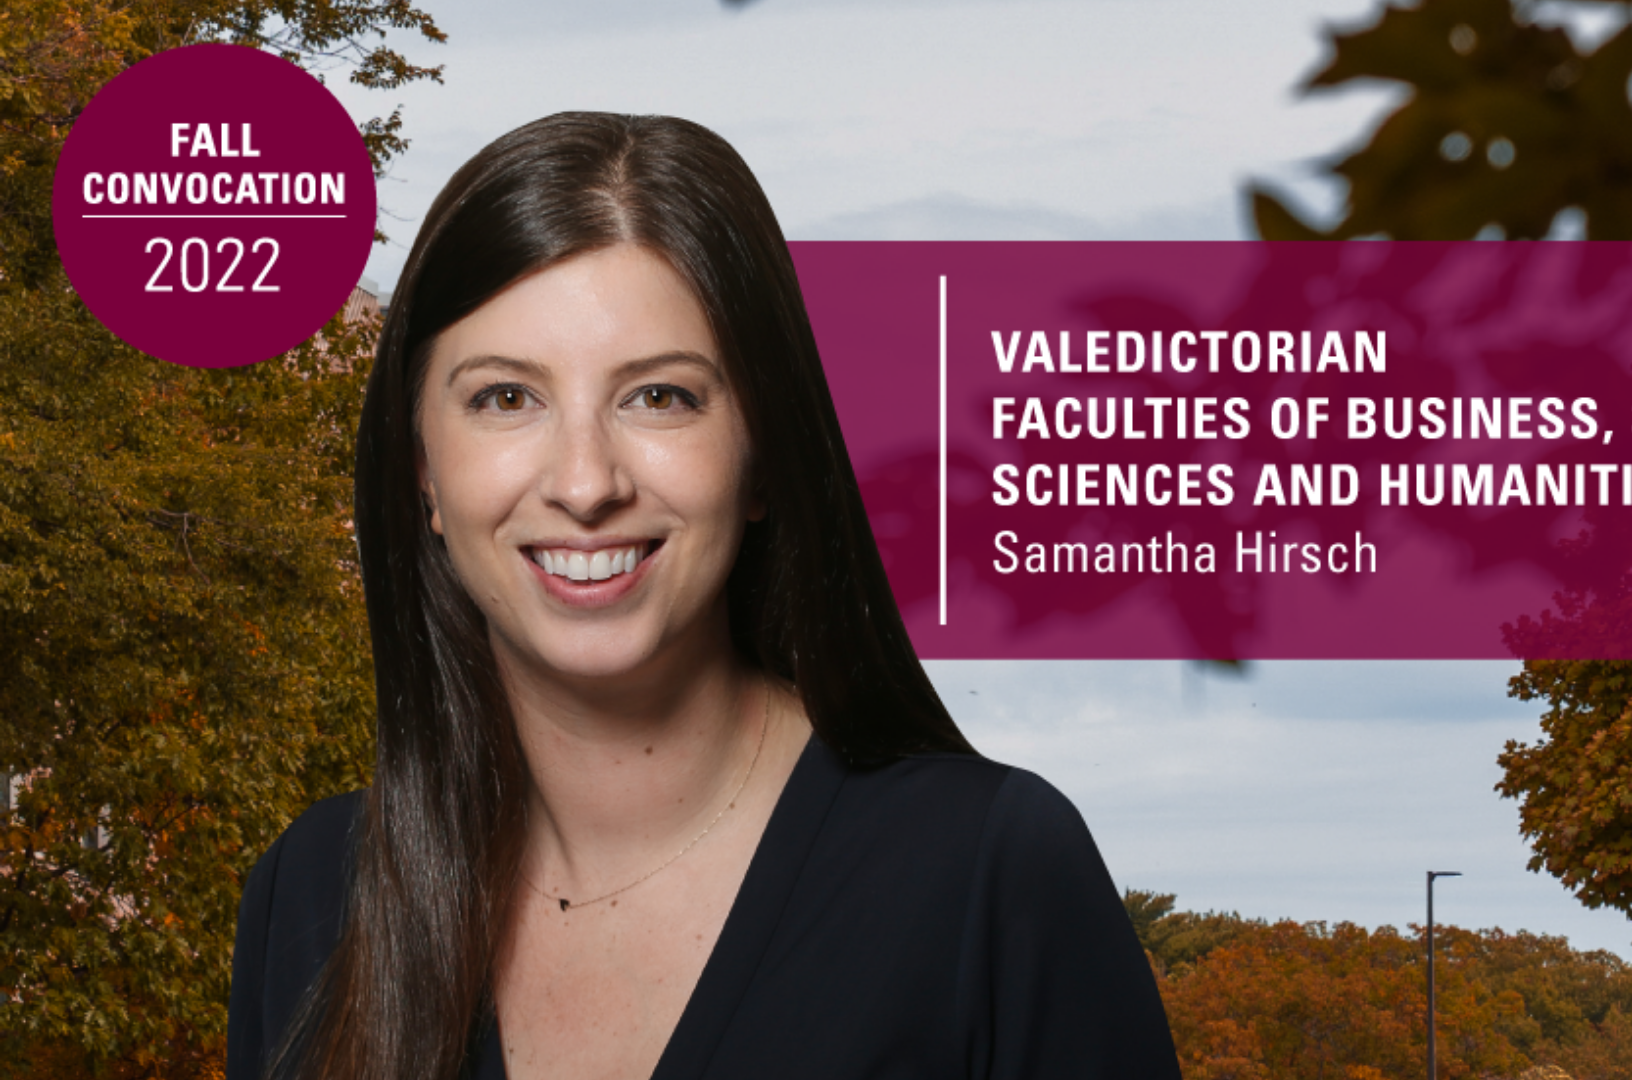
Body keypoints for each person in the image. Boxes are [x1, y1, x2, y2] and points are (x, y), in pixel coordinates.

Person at [225, 112, 1179, 1080]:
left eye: (661, 397)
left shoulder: (990, 883)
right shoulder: (307, 908)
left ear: (761, 453)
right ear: (422, 470)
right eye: (506, 398)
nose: (586, 482)